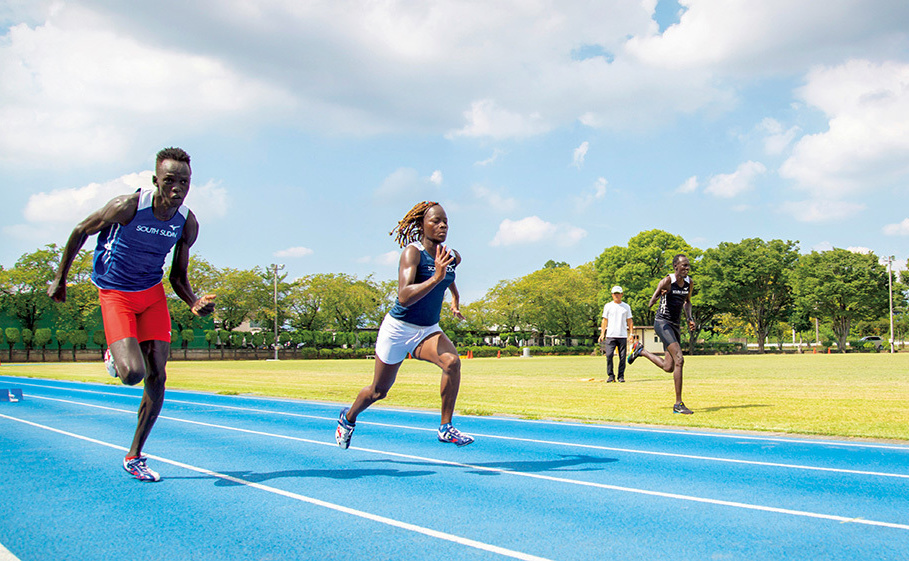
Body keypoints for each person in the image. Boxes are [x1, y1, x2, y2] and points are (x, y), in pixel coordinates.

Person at [48, 147, 216, 481]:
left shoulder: (187, 222)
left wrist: (193, 301)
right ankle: (115, 352)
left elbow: (178, 277)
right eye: (170, 181)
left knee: (158, 374)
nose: (177, 188)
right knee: (132, 375)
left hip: (152, 294)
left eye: (184, 182)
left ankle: (135, 454)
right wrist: (60, 277)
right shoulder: (127, 206)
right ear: (156, 180)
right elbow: (82, 228)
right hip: (116, 293)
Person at [336, 201, 474, 449]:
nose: (442, 226)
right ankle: (348, 418)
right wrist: (435, 278)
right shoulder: (413, 253)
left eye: (446, 222)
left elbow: (449, 275)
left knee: (452, 362)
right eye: (435, 221)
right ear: (421, 224)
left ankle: (445, 427)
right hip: (398, 329)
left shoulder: (451, 255)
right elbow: (404, 295)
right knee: (378, 391)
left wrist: (454, 299)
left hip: (427, 330)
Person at [627, 254, 694, 414]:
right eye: (683, 265)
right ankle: (678, 404)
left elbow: (687, 302)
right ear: (675, 267)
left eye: (688, 265)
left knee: (668, 366)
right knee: (679, 358)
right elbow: (651, 303)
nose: (686, 268)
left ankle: (640, 350)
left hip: (675, 325)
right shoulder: (666, 281)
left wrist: (690, 318)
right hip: (662, 323)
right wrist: (660, 295)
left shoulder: (689, 283)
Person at [597, 285, 634, 383]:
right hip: (610, 335)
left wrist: (631, 334)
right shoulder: (608, 306)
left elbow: (630, 321)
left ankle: (620, 376)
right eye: (615, 294)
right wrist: (602, 333)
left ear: (622, 294)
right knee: (609, 355)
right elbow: (605, 320)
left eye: (618, 293)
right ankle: (610, 375)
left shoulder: (626, 307)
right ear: (612, 295)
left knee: (622, 357)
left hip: (622, 335)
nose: (616, 295)